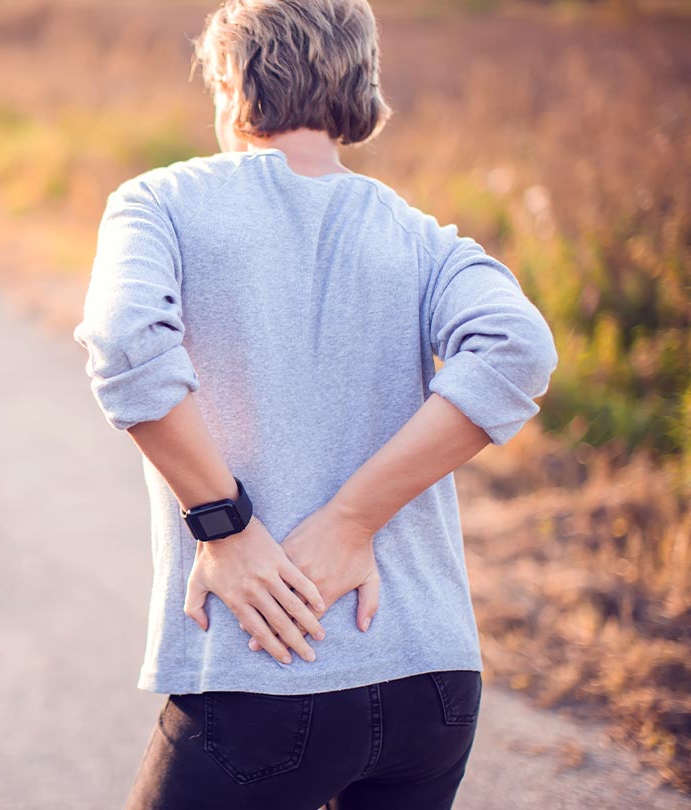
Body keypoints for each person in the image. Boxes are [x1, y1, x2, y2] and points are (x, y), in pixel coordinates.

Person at [72, 1, 558, 807]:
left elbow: (125, 343)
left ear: (230, 82)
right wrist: (354, 521)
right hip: (434, 687)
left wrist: (224, 525)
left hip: (268, 675)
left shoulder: (160, 203)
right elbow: (519, 348)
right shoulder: (420, 236)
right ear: (359, 85)